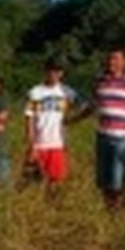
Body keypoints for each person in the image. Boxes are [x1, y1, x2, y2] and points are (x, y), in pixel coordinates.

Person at [77, 48, 125, 212]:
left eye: (116, 59)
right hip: (102, 133)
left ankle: (119, 211)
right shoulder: (100, 79)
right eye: (110, 59)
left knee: (118, 179)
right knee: (103, 179)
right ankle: (109, 210)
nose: (112, 62)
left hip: (122, 136)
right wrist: (74, 120)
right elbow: (93, 105)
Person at [23, 58, 83, 196]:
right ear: (46, 71)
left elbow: (84, 107)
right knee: (30, 180)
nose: (55, 74)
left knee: (55, 180)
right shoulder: (35, 92)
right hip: (39, 143)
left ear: (62, 73)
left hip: (58, 143)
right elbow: (29, 118)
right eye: (52, 70)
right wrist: (31, 144)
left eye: (58, 71)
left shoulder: (66, 91)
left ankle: (51, 208)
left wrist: (72, 119)